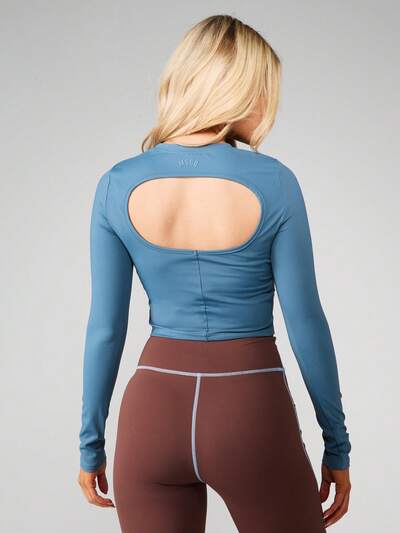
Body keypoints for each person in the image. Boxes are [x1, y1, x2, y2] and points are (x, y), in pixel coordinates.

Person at [77, 14, 352, 533]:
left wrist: (90, 444)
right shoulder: (274, 182)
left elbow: (106, 329)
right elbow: (306, 323)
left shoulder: (116, 184)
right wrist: (337, 444)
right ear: (239, 90)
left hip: (153, 413)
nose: (269, 106)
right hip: (250, 408)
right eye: (264, 89)